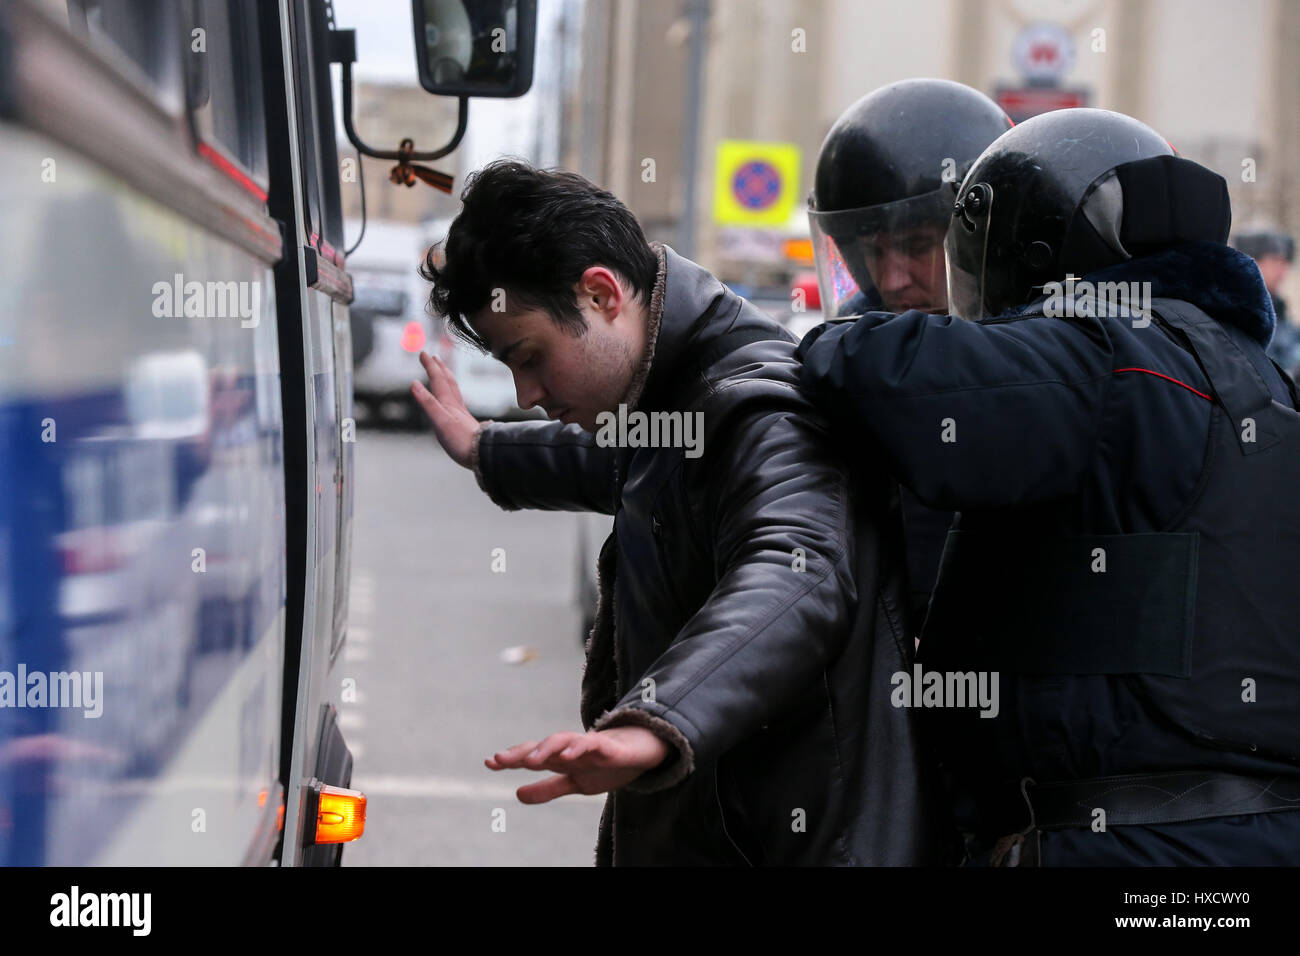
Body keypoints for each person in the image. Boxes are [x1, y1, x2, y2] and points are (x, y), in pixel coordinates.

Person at [797, 108, 1300, 865]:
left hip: (1129, 849)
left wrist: (814, 338)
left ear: (1028, 247)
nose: (896, 278)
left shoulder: (1101, 352)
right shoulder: (1259, 383)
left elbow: (884, 375)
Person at [411, 159, 934, 865]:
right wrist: (487, 449)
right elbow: (632, 462)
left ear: (600, 294)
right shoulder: (671, 391)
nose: (527, 392)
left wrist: (660, 720)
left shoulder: (759, 408)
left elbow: (794, 570)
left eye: (530, 357)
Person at [807, 78, 1014, 629]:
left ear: (983, 236)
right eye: (870, 253)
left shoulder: (1051, 378)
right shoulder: (852, 377)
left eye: (918, 245)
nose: (893, 279)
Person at [1232, 227, 1298, 378]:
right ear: (1251, 260)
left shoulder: (1281, 315)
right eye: (1275, 260)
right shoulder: (1238, 315)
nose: (1282, 271)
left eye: (1285, 262)